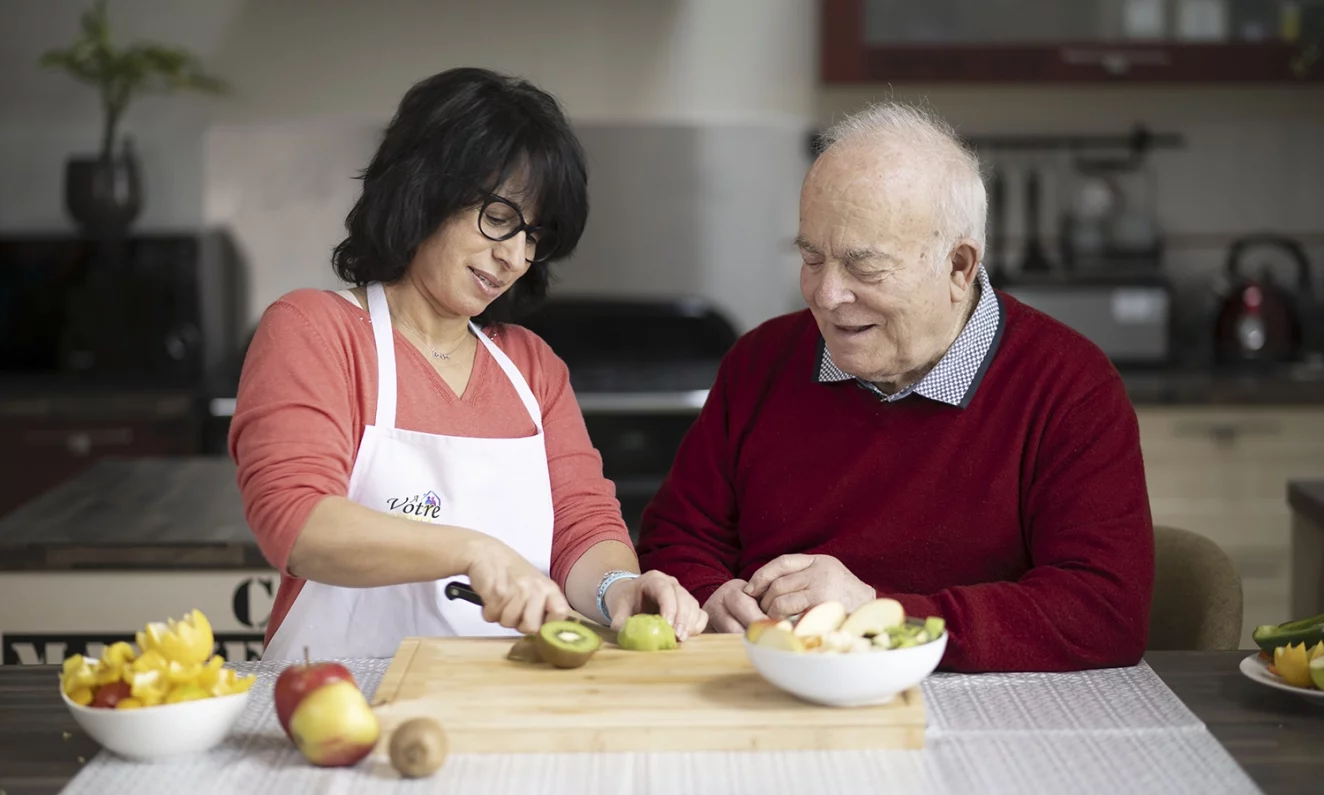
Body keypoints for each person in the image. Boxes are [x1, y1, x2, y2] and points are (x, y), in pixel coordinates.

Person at [635, 101, 1154, 674]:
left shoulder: (1069, 387)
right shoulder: (760, 363)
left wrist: (879, 614)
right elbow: (673, 539)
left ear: (958, 267)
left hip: (986, 718)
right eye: (812, 257)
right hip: (777, 697)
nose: (827, 295)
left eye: (865, 268)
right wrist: (709, 591)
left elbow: (1103, 613)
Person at [230, 67, 706, 661]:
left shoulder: (532, 368)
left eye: (534, 236)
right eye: (500, 219)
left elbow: (581, 526)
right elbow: (296, 521)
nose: (513, 257)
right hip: (338, 696)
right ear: (425, 190)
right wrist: (473, 551)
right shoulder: (315, 330)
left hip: (504, 702)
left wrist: (620, 589)